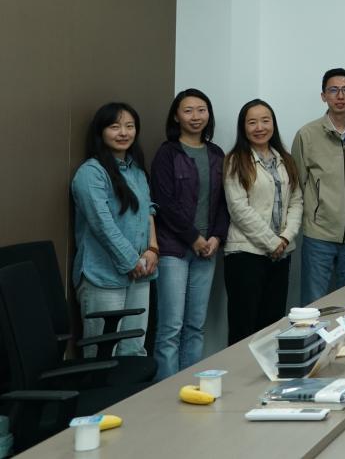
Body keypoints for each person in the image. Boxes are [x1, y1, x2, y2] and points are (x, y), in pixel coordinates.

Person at [150, 89, 228, 379]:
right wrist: (193, 238)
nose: (196, 116)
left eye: (201, 110)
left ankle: (191, 387)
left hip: (207, 250)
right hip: (174, 249)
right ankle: (165, 391)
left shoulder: (216, 154)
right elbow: (164, 202)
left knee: (196, 326)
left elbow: (224, 202)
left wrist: (216, 237)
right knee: (171, 327)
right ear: (176, 116)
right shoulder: (167, 153)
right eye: (188, 110)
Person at [70, 102, 157, 357]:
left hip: (140, 272)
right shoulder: (91, 173)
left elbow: (148, 210)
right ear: (101, 131)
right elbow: (102, 224)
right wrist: (131, 261)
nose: (124, 133)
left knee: (134, 349)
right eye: (115, 126)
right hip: (103, 275)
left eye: (130, 126)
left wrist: (153, 249)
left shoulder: (136, 170)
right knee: (102, 353)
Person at [222, 99, 302, 344]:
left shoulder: (285, 159)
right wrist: (272, 242)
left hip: (280, 254)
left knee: (272, 326)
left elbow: (296, 202)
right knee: (244, 327)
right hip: (246, 254)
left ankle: (266, 371)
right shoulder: (236, 160)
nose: (260, 127)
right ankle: (239, 370)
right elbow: (238, 209)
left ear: (273, 124)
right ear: (243, 127)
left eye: (265, 121)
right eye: (252, 122)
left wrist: (285, 238)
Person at [293, 68, 345, 304]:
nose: (340, 96)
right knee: (314, 304)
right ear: (323, 96)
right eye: (333, 90)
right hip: (319, 235)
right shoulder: (307, 134)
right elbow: (296, 184)